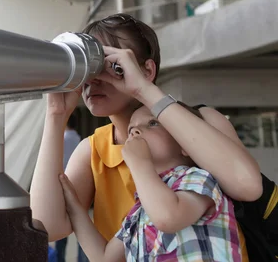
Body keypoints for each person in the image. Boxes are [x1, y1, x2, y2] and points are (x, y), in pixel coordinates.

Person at [30, 13, 262, 261]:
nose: (94, 80)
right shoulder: (95, 149)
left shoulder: (200, 120)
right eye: (90, 68)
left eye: (110, 64)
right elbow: (47, 226)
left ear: (147, 69)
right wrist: (56, 113)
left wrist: (143, 89)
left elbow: (248, 186)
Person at [58, 105, 242, 261]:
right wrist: (74, 207)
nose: (136, 131)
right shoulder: (141, 209)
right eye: (131, 130)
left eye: (153, 123)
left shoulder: (198, 179)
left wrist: (140, 164)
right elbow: (105, 257)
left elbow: (168, 217)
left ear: (185, 144)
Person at [55, 112, 82, 262]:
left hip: (62, 183)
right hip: (78, 182)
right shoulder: (78, 138)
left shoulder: (63, 139)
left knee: (61, 225)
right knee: (80, 226)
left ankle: (60, 259)